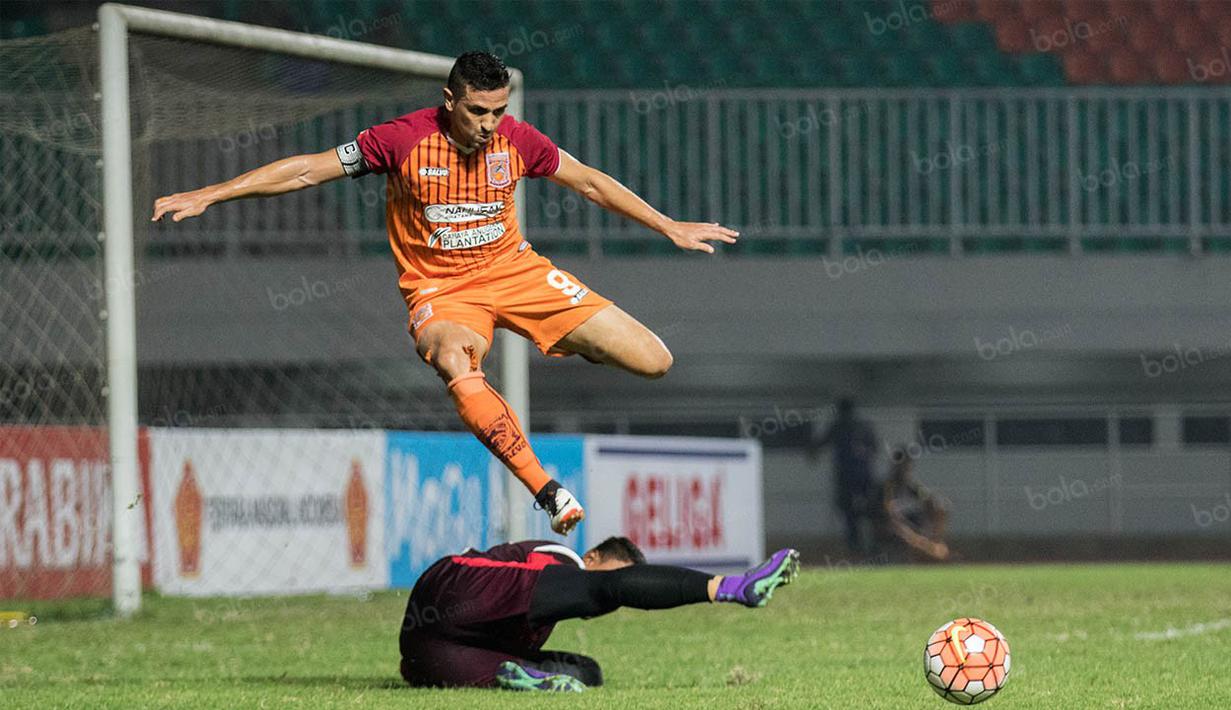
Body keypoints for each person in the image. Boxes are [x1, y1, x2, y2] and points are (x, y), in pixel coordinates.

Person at [151, 52, 739, 535]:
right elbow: (307, 169)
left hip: (518, 273)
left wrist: (669, 225)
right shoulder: (401, 140)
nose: (489, 124)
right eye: (479, 111)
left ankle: (563, 336)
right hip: (442, 291)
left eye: (498, 111)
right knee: (456, 361)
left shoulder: (517, 139)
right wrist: (213, 193)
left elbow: (587, 181)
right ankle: (548, 490)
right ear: (450, 99)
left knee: (654, 361)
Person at [399, 537, 800, 692]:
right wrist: (607, 587)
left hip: (429, 652)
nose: (624, 592)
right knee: (602, 590)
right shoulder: (560, 557)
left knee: (586, 673)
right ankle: (732, 587)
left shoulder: (535, 624)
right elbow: (599, 587)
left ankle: (524, 681)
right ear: (592, 557)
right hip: (450, 585)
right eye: (620, 575)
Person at [809, 398, 879, 553]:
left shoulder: (838, 426)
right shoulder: (864, 426)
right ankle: (872, 543)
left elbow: (819, 444)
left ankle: (855, 543)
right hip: (864, 474)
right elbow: (875, 448)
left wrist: (810, 448)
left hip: (846, 476)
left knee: (848, 509)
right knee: (869, 508)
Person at [878, 446, 950, 561]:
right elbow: (889, 513)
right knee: (900, 528)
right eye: (904, 464)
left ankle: (934, 545)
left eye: (908, 464)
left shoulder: (911, 485)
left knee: (941, 507)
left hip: (913, 522)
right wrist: (911, 531)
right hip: (893, 526)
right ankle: (932, 551)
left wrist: (934, 507)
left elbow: (929, 500)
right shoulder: (888, 486)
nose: (907, 467)